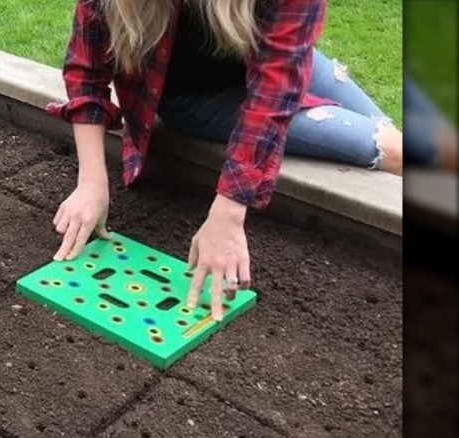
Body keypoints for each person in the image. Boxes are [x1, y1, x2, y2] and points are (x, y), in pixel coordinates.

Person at [46, 0, 403, 322]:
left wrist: (227, 216)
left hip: (277, 60)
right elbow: (87, 67)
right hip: (196, 96)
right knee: (389, 149)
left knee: (393, 141)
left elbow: (273, 94)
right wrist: (92, 181)